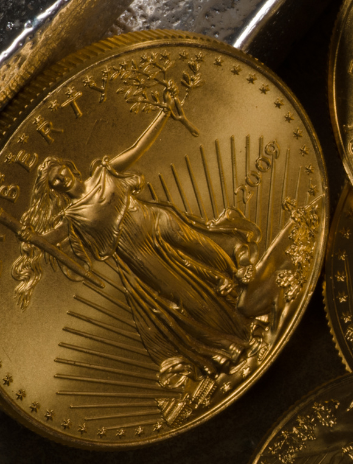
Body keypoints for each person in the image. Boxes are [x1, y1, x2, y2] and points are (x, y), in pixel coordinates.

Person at [0, 96, 274, 384]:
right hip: (139, 255)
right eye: (53, 182)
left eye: (60, 173)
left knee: (208, 251)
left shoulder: (103, 172)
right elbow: (50, 238)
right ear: (53, 190)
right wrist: (27, 236)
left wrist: (164, 115)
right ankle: (237, 336)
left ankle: (253, 298)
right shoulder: (72, 216)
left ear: (70, 167)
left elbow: (137, 148)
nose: (59, 181)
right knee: (185, 295)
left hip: (158, 221)